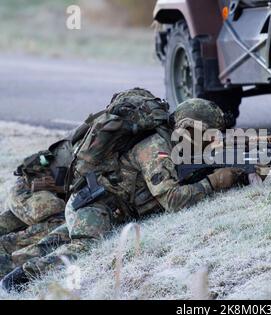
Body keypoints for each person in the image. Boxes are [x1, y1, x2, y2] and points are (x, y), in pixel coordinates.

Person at [1, 90, 247, 292]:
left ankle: (6, 263)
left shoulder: (173, 146)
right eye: (207, 134)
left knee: (50, 242)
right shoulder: (156, 147)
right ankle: (19, 282)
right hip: (95, 206)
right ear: (188, 128)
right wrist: (215, 182)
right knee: (84, 248)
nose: (210, 141)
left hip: (95, 204)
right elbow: (172, 200)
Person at [0, 137, 77, 279]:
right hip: (31, 196)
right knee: (58, 219)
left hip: (28, 198)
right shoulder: (71, 149)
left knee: (11, 223)